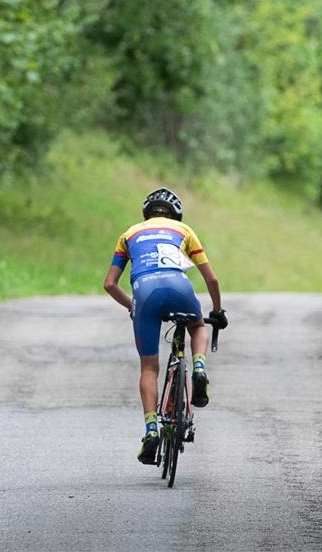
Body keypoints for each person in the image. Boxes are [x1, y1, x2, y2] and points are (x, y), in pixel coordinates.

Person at [103, 187, 227, 465]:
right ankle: (198, 367)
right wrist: (217, 311)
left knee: (149, 367)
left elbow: (110, 284)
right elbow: (213, 280)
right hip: (178, 285)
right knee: (197, 326)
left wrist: (132, 305)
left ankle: (150, 429)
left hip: (144, 293)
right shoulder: (184, 230)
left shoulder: (129, 234)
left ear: (147, 213)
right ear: (176, 214)